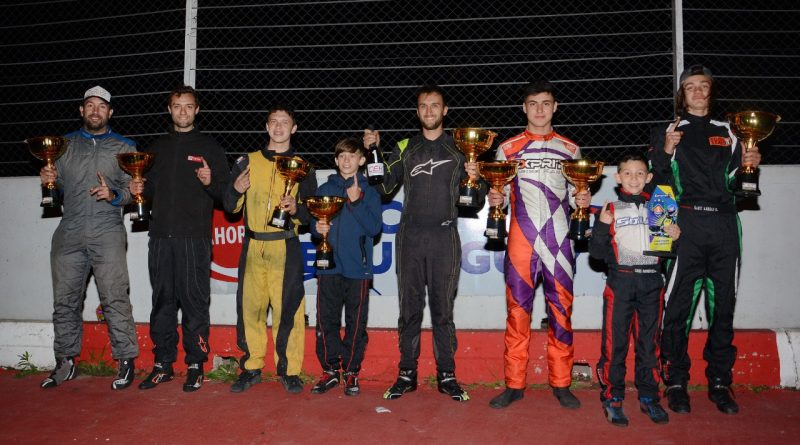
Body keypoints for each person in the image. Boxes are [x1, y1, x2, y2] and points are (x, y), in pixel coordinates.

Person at [649, 65, 761, 415]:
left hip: (725, 225)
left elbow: (739, 187)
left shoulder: (732, 132)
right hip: (685, 224)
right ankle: (676, 381)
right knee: (678, 307)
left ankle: (720, 382)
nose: (697, 91)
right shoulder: (668, 131)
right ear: (681, 94)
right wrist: (664, 152)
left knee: (722, 307)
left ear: (712, 91)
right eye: (690, 86)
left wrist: (750, 165)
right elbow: (657, 182)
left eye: (703, 86)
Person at [364, 84, 483, 402]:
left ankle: (447, 375)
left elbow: (476, 199)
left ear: (445, 110)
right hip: (410, 238)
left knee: (443, 311)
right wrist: (374, 152)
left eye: (435, 105)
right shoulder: (405, 146)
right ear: (417, 112)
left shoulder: (460, 148)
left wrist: (476, 178)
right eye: (423, 106)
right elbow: (384, 187)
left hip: (445, 237)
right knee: (409, 309)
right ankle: (407, 373)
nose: (429, 111)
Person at [487, 80, 590, 410]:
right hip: (522, 239)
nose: (540, 110)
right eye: (533, 104)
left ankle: (561, 383)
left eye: (546, 103)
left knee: (561, 311)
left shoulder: (570, 149)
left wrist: (582, 199)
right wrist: (496, 197)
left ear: (555, 107)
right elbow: (500, 192)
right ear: (524, 108)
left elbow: (576, 193)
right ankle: (514, 384)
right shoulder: (508, 149)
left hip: (559, 239)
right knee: (517, 312)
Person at [129, 84, 229, 392]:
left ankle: (196, 364)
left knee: (195, 302)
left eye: (188, 106)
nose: (182, 111)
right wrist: (138, 190)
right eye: (177, 106)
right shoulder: (156, 148)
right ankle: (163, 364)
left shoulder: (210, 146)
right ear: (169, 110)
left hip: (194, 238)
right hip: (160, 237)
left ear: (197, 110)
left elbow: (226, 196)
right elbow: (149, 190)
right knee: (162, 302)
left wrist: (211, 182)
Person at [39, 86, 139, 390]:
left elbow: (133, 191)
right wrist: (48, 181)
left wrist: (114, 194)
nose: (96, 111)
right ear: (82, 110)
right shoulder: (63, 145)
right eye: (90, 106)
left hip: (107, 229)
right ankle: (65, 362)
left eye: (102, 106)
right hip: (69, 229)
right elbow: (56, 188)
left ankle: (125, 361)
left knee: (115, 297)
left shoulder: (124, 146)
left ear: (110, 112)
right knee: (64, 301)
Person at [224, 105, 317, 394]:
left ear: (294, 128)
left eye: (284, 122)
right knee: (250, 309)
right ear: (266, 127)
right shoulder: (247, 161)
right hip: (253, 245)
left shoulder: (304, 167)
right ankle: (251, 367)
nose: (278, 127)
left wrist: (296, 209)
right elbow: (229, 206)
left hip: (285, 244)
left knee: (288, 309)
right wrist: (236, 189)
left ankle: (289, 370)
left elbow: (312, 214)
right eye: (273, 122)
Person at [589, 154, 679, 426]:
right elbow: (597, 253)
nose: (634, 178)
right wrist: (602, 225)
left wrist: (675, 237)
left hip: (652, 282)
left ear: (648, 177)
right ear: (618, 178)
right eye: (627, 173)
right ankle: (613, 396)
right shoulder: (611, 208)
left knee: (649, 344)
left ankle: (649, 396)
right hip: (621, 281)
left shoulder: (661, 207)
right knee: (615, 343)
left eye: (640, 173)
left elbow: (669, 252)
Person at [308, 137, 382, 396]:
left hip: (358, 269)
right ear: (336, 160)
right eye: (342, 156)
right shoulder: (325, 188)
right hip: (328, 266)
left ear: (362, 160)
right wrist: (317, 228)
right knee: (325, 321)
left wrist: (357, 201)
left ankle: (351, 371)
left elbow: (374, 228)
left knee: (356, 323)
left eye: (352, 156)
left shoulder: (370, 190)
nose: (346, 160)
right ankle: (330, 370)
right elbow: (314, 227)